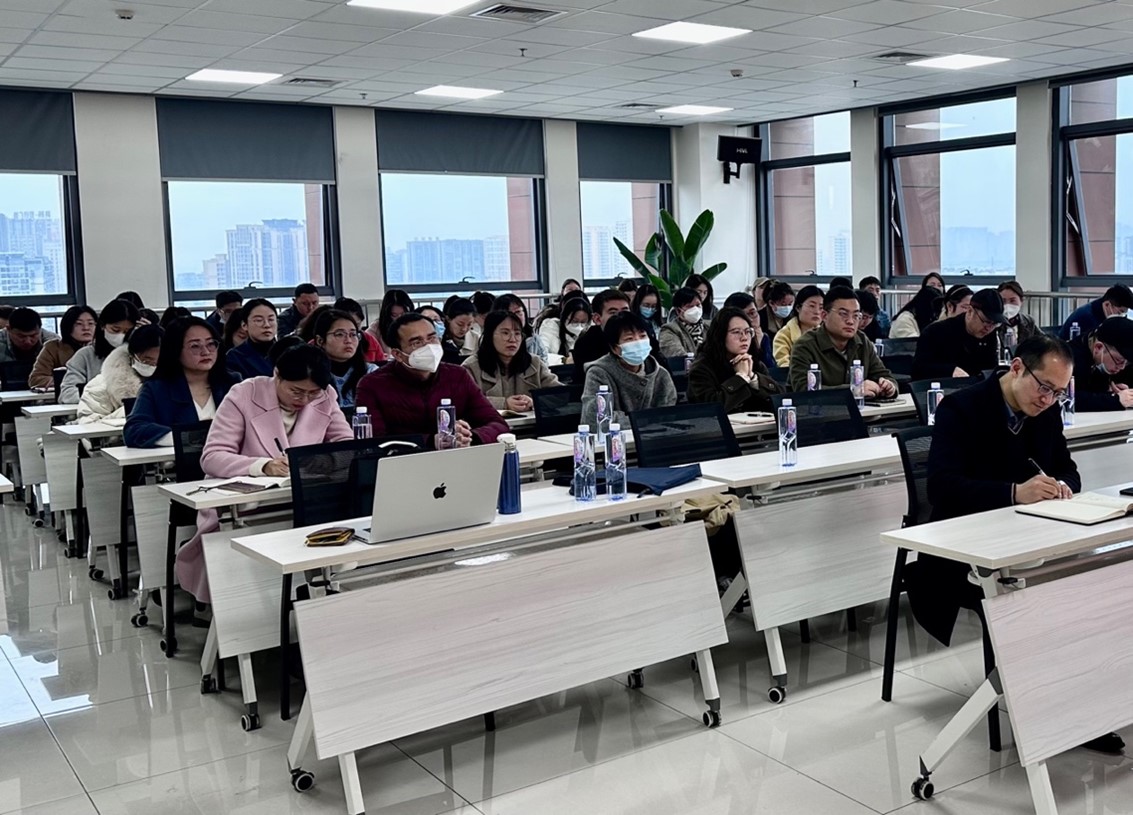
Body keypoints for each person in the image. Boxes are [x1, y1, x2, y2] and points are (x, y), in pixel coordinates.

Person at [914, 334, 1122, 755]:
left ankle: (1092, 703)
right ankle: (1057, 709)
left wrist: (1061, 485)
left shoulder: (1046, 411)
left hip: (1032, 537)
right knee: (1044, 603)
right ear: (1016, 368)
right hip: (964, 548)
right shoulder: (961, 408)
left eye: (1058, 393)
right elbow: (941, 486)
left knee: (1091, 589)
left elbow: (1068, 469)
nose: (1048, 399)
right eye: (1044, 387)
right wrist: (1013, 493)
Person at [181, 345, 353, 602]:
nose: (304, 400)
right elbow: (212, 457)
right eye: (296, 391)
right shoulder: (244, 394)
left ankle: (314, 602)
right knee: (247, 582)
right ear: (277, 375)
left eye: (312, 393)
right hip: (249, 506)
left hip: (303, 502)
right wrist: (262, 466)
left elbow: (347, 447)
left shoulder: (325, 395)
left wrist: (314, 461)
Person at [355, 312, 508, 447]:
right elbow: (374, 442)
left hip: (457, 460)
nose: (428, 346)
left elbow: (498, 425)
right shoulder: (372, 385)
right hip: (402, 464)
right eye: (417, 342)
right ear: (397, 354)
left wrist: (469, 437)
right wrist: (430, 441)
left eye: (432, 338)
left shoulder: (458, 375)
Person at [124, 317, 238, 448]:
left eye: (211, 344)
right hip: (179, 460)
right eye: (195, 346)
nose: (206, 352)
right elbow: (134, 430)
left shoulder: (233, 383)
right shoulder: (157, 388)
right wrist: (184, 438)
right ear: (175, 350)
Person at [788, 286, 898, 396]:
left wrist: (889, 386)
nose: (850, 321)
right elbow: (803, 390)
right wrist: (853, 390)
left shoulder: (862, 341)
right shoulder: (805, 346)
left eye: (856, 316)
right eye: (843, 314)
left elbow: (883, 374)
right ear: (824, 315)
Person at [580, 311, 676, 428]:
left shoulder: (661, 375)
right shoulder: (598, 373)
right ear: (615, 348)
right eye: (629, 339)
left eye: (642, 336)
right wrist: (644, 420)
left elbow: (668, 417)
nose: (638, 342)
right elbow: (595, 418)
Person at [688, 306, 782, 413]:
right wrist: (740, 378)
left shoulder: (754, 364)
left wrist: (753, 379)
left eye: (747, 331)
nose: (744, 338)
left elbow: (780, 400)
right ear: (720, 335)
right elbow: (711, 409)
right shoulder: (701, 368)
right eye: (737, 332)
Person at [462, 310, 561, 411]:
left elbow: (561, 394)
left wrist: (534, 401)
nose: (512, 339)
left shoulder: (534, 363)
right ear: (489, 335)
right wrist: (503, 404)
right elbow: (463, 401)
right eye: (505, 333)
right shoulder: (471, 367)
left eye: (517, 333)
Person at [77, 324, 162, 424]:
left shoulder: (172, 385)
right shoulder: (100, 386)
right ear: (132, 355)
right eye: (147, 361)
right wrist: (134, 411)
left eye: (160, 362)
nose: (153, 366)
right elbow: (87, 424)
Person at [912, 288, 1004, 380]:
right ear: (970, 311)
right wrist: (950, 370)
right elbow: (919, 369)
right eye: (986, 321)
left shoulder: (989, 334)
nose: (988, 328)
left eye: (995, 323)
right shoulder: (936, 332)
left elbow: (991, 368)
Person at [60, 299, 139, 404]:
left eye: (127, 332)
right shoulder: (85, 355)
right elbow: (67, 394)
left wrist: (149, 336)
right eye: (115, 330)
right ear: (102, 325)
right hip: (96, 411)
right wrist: (104, 398)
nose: (121, 336)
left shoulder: (141, 357)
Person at [312, 309, 376, 409]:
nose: (348, 340)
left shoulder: (371, 372)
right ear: (320, 341)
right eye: (340, 334)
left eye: (353, 334)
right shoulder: (310, 374)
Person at [1068, 317, 1133, 412]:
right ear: (1098, 348)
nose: (1122, 367)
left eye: (1127, 363)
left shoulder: (1109, 356)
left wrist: (1111, 391)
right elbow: (1069, 398)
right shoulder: (1070, 359)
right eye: (1119, 361)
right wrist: (1115, 400)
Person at [572, 289, 633, 380]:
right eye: (613, 313)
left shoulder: (640, 336)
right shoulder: (586, 343)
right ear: (597, 319)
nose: (621, 317)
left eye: (625, 311)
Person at [29, 305, 95, 389]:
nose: (86, 328)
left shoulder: (104, 348)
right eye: (79, 324)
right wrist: (61, 381)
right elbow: (35, 379)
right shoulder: (53, 348)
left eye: (91, 323)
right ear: (68, 326)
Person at [772, 284, 823, 368]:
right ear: (798, 308)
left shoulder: (826, 335)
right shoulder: (784, 335)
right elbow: (784, 365)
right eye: (812, 306)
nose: (817, 312)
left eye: (821, 307)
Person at [225, 298, 277, 380]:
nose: (266, 325)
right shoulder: (234, 357)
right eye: (259, 320)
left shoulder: (288, 350)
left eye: (271, 319)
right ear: (244, 325)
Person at [1059, 283, 1133, 341]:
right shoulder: (1087, 318)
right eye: (1119, 312)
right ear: (1107, 305)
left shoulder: (1100, 309)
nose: (1120, 316)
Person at [723, 291, 774, 369]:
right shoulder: (728, 341)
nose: (749, 319)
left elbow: (770, 368)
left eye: (752, 313)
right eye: (743, 316)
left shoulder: (764, 337)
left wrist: (759, 343)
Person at [493, 293, 548, 361]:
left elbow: (544, 361)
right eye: (510, 314)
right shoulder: (494, 340)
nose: (516, 317)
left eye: (518, 312)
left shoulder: (534, 338)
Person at [537, 294, 591, 361]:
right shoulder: (551, 326)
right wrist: (564, 360)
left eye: (583, 322)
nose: (579, 326)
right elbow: (541, 354)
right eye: (574, 321)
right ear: (564, 318)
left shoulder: (590, 330)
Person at [658, 286, 709, 358]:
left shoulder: (710, 326)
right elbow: (677, 355)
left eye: (698, 305)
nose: (695, 309)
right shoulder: (669, 330)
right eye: (690, 306)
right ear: (678, 310)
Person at [367, 288, 414, 358]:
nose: (399, 319)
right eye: (394, 315)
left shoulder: (417, 324)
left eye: (403, 314)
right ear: (387, 314)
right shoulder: (376, 328)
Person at [996, 281, 1041, 345]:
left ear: (1021, 301)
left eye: (1012, 300)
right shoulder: (994, 323)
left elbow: (1043, 341)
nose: (1007, 305)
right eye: (1003, 301)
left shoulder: (1028, 321)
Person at [442, 297, 477, 364]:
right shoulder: (440, 339)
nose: (464, 329)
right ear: (448, 319)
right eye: (460, 324)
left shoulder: (478, 340)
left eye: (469, 324)